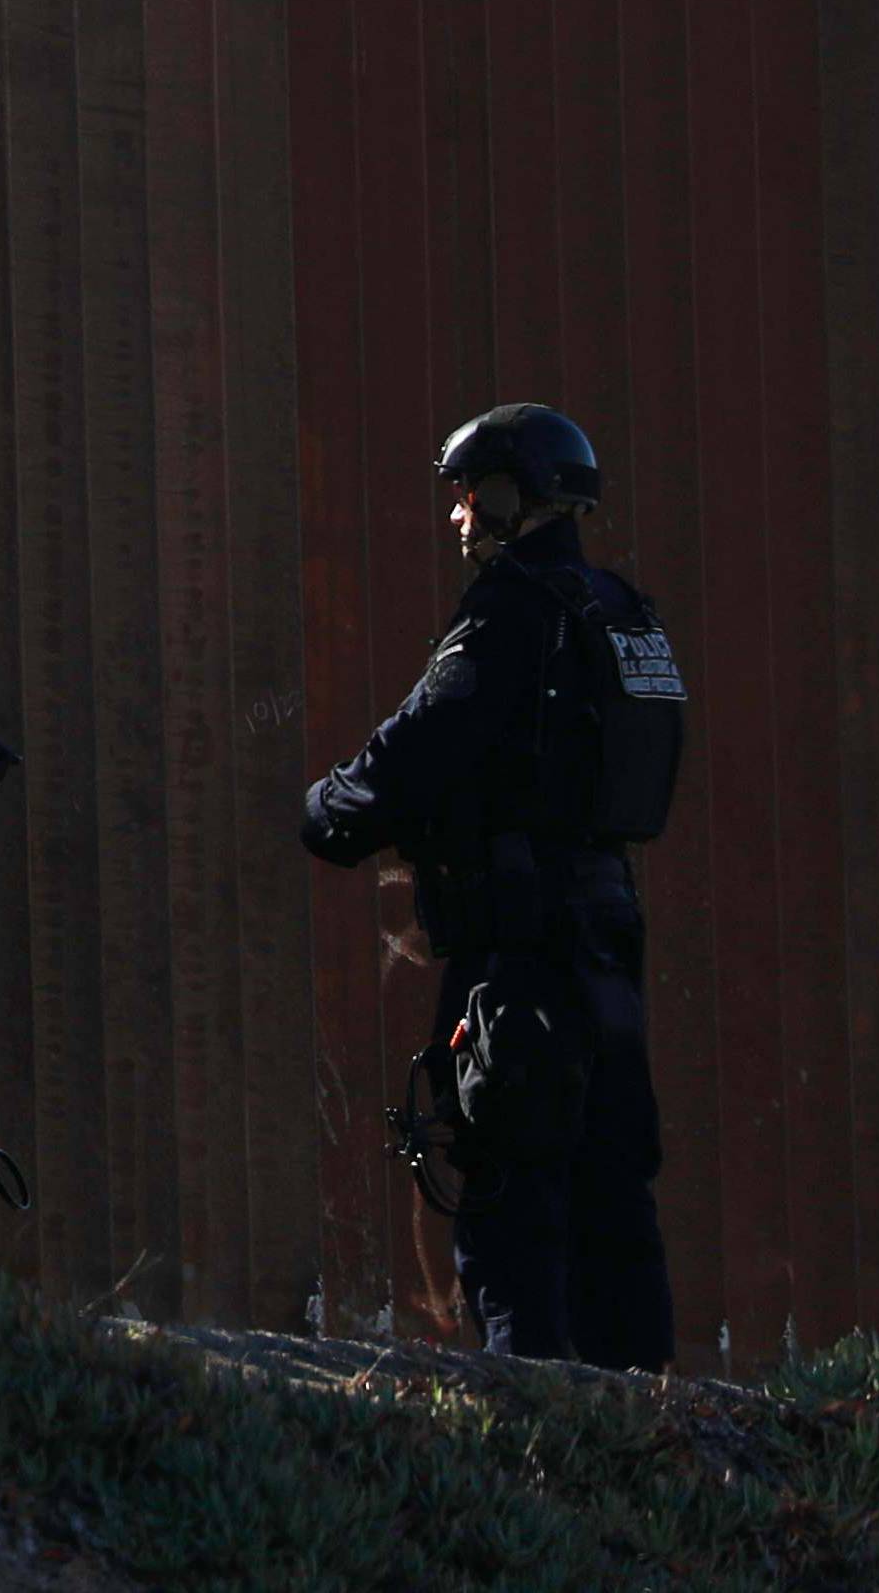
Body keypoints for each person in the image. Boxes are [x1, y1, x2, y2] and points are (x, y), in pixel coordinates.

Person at [301, 403, 683, 1368]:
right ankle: (643, 1416)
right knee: (613, 1186)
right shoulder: (624, 612)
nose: (457, 517)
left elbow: (413, 752)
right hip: (609, 935)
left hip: (523, 952)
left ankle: (534, 1432)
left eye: (469, 495)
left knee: (511, 1190)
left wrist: (326, 810)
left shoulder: (511, 609)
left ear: (516, 498)